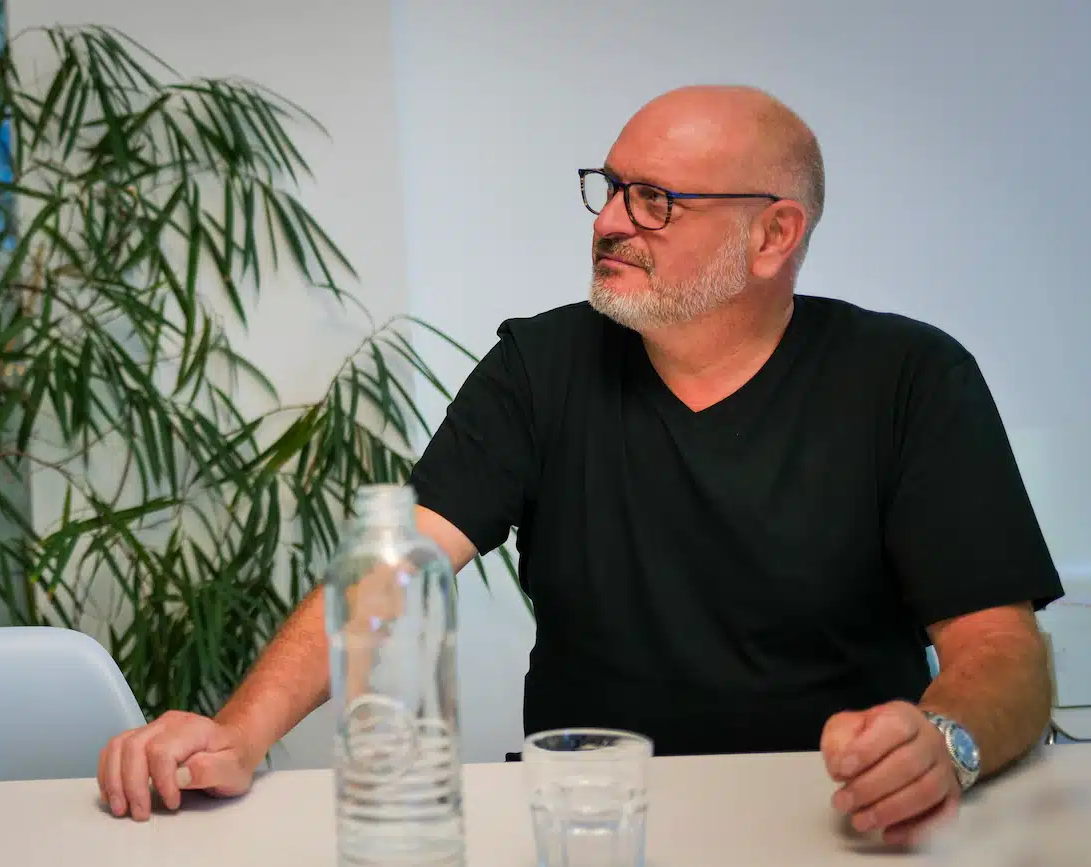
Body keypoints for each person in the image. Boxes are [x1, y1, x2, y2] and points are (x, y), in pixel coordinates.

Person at [96, 84, 1063, 847]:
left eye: (657, 200)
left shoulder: (908, 377)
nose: (609, 222)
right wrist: (241, 730)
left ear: (773, 235)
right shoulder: (540, 365)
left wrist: (944, 745)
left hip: (829, 816)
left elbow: (1001, 653)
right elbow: (391, 571)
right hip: (587, 811)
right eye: (609, 188)